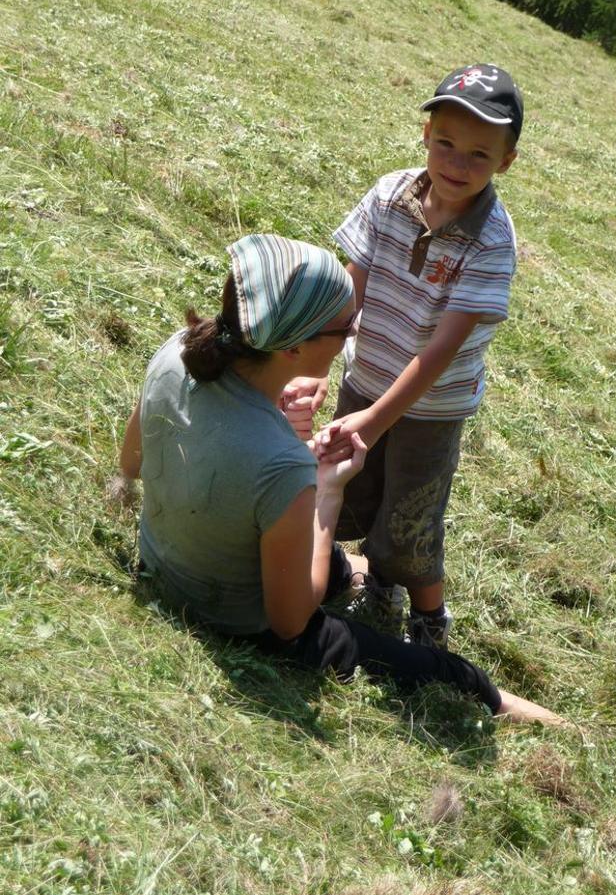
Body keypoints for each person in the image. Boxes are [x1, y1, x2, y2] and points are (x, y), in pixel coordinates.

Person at [119, 233, 561, 725]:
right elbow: (290, 623)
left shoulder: (176, 352)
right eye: (345, 328)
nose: (353, 335)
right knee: (448, 671)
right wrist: (326, 493)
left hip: (162, 563)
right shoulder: (282, 464)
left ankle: (354, 574)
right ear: (292, 348)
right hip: (232, 617)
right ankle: (546, 721)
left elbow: (132, 462)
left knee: (321, 555)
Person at [294, 64, 524, 650]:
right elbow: (352, 291)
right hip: (366, 373)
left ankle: (429, 617)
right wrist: (316, 371)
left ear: (506, 160)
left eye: (478, 153)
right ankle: (376, 583)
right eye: (445, 142)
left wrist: (376, 420)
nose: (456, 163)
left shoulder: (492, 240)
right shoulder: (389, 194)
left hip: (433, 405)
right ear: (425, 134)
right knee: (355, 487)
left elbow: (443, 351)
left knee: (411, 515)